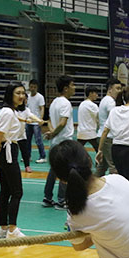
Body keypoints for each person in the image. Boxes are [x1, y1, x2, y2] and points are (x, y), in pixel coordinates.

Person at [0, 82, 27, 238]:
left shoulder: (8, 111)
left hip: (8, 150)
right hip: (7, 151)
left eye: (23, 93)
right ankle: (12, 229)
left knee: (5, 191)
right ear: (10, 95)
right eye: (18, 93)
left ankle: (3, 228)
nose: (21, 96)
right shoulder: (7, 112)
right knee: (17, 191)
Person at [97, 86, 129, 184]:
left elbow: (105, 131)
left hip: (115, 148)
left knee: (120, 178)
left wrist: (100, 149)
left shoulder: (114, 110)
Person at [43, 75, 76, 209]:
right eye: (73, 85)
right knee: (65, 171)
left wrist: (51, 133)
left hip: (55, 142)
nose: (75, 88)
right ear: (66, 88)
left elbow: (50, 121)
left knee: (54, 170)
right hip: (64, 142)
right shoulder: (65, 103)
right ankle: (61, 200)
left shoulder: (54, 102)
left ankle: (47, 198)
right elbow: (62, 123)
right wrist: (54, 133)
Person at [95, 78, 122, 177]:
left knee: (102, 166)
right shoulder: (110, 102)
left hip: (102, 135)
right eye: (117, 88)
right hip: (108, 137)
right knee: (113, 166)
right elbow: (114, 119)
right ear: (110, 89)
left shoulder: (104, 100)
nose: (119, 91)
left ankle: (92, 187)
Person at [15, 90, 44, 173]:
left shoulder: (26, 110)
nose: (25, 101)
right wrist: (25, 120)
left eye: (26, 99)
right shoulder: (13, 109)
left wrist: (39, 120)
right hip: (13, 136)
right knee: (13, 153)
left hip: (21, 135)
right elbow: (16, 118)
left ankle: (27, 166)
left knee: (25, 151)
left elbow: (32, 116)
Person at [26, 79, 47, 163]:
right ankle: (27, 156)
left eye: (34, 87)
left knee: (38, 140)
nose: (33, 88)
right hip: (28, 122)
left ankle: (43, 156)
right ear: (29, 87)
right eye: (31, 87)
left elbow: (42, 108)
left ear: (37, 87)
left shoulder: (40, 97)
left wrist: (40, 120)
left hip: (36, 122)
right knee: (27, 140)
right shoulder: (27, 96)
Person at [76, 85, 101, 152]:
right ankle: (99, 162)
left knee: (77, 151)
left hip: (81, 132)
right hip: (90, 133)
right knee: (99, 150)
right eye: (95, 93)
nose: (97, 95)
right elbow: (99, 118)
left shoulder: (82, 104)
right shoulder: (93, 105)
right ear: (90, 93)